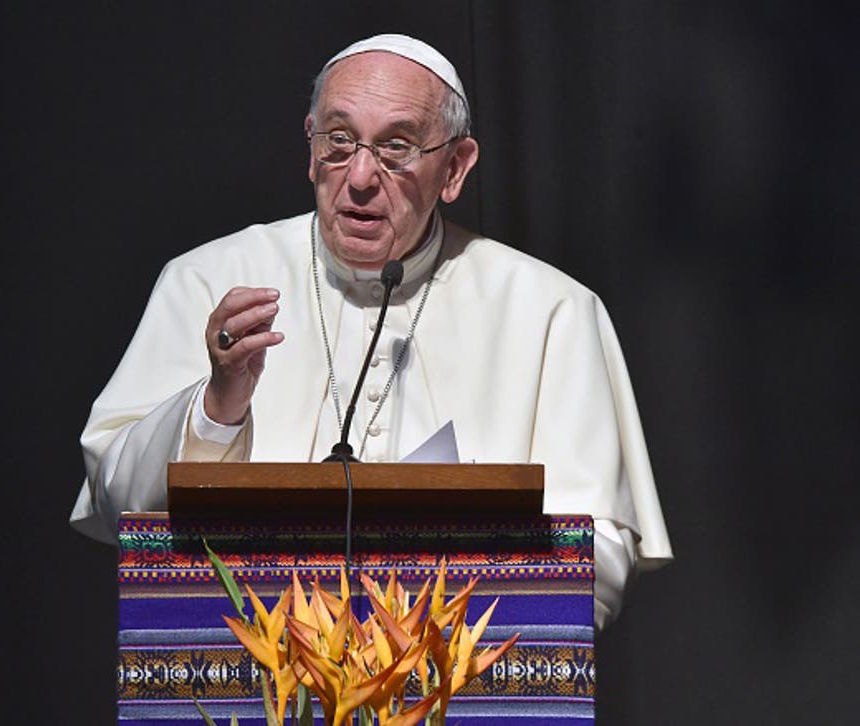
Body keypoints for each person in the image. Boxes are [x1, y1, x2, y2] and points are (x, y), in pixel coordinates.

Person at [70, 34, 672, 629]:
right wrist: (214, 409)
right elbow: (116, 500)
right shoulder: (207, 280)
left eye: (396, 147)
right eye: (338, 141)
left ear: (455, 168)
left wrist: (439, 619)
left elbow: (598, 554)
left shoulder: (552, 311)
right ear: (310, 149)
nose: (359, 176)